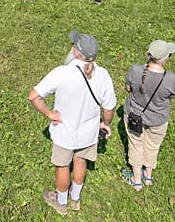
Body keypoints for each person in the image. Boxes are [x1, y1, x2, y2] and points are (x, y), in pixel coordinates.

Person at [29, 31, 116, 215]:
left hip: (65, 133)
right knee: (80, 161)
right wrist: (106, 123)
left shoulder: (62, 73)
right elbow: (109, 107)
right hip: (88, 133)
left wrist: (49, 113)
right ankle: (75, 199)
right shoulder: (103, 75)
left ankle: (61, 203)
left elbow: (34, 96)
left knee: (62, 166)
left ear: (76, 51)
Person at [121, 39, 175, 190]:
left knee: (136, 144)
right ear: (165, 59)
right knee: (153, 146)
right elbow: (170, 96)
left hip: (134, 115)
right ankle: (148, 176)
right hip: (158, 120)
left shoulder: (135, 70)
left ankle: (136, 179)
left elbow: (128, 88)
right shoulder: (170, 78)